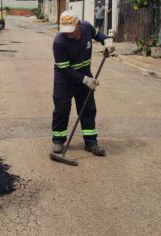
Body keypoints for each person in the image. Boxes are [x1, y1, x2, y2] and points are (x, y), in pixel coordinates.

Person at [52, 11, 113, 156]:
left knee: (88, 109)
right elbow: (65, 69)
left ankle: (91, 142)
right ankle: (58, 141)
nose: (69, 34)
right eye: (66, 31)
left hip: (84, 75)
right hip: (64, 80)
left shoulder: (87, 28)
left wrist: (107, 41)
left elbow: (98, 35)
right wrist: (86, 80)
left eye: (71, 31)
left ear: (78, 24)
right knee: (61, 109)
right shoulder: (59, 42)